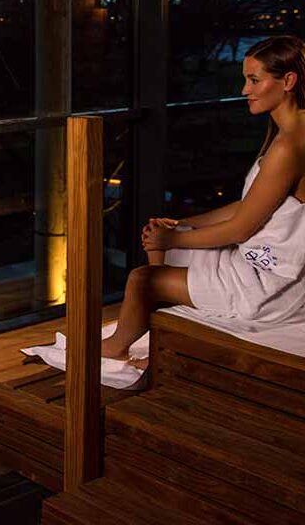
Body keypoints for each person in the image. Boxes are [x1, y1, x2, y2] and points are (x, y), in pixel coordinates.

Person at [102, 35, 305, 362]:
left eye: (254, 80)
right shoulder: (292, 133)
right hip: (266, 265)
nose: (244, 90)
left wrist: (171, 238)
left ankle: (117, 349)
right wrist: (182, 227)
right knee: (169, 244)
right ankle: (163, 337)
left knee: (142, 279)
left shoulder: (288, 147)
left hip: (267, 284)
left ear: (288, 81)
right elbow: (250, 206)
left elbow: (239, 230)